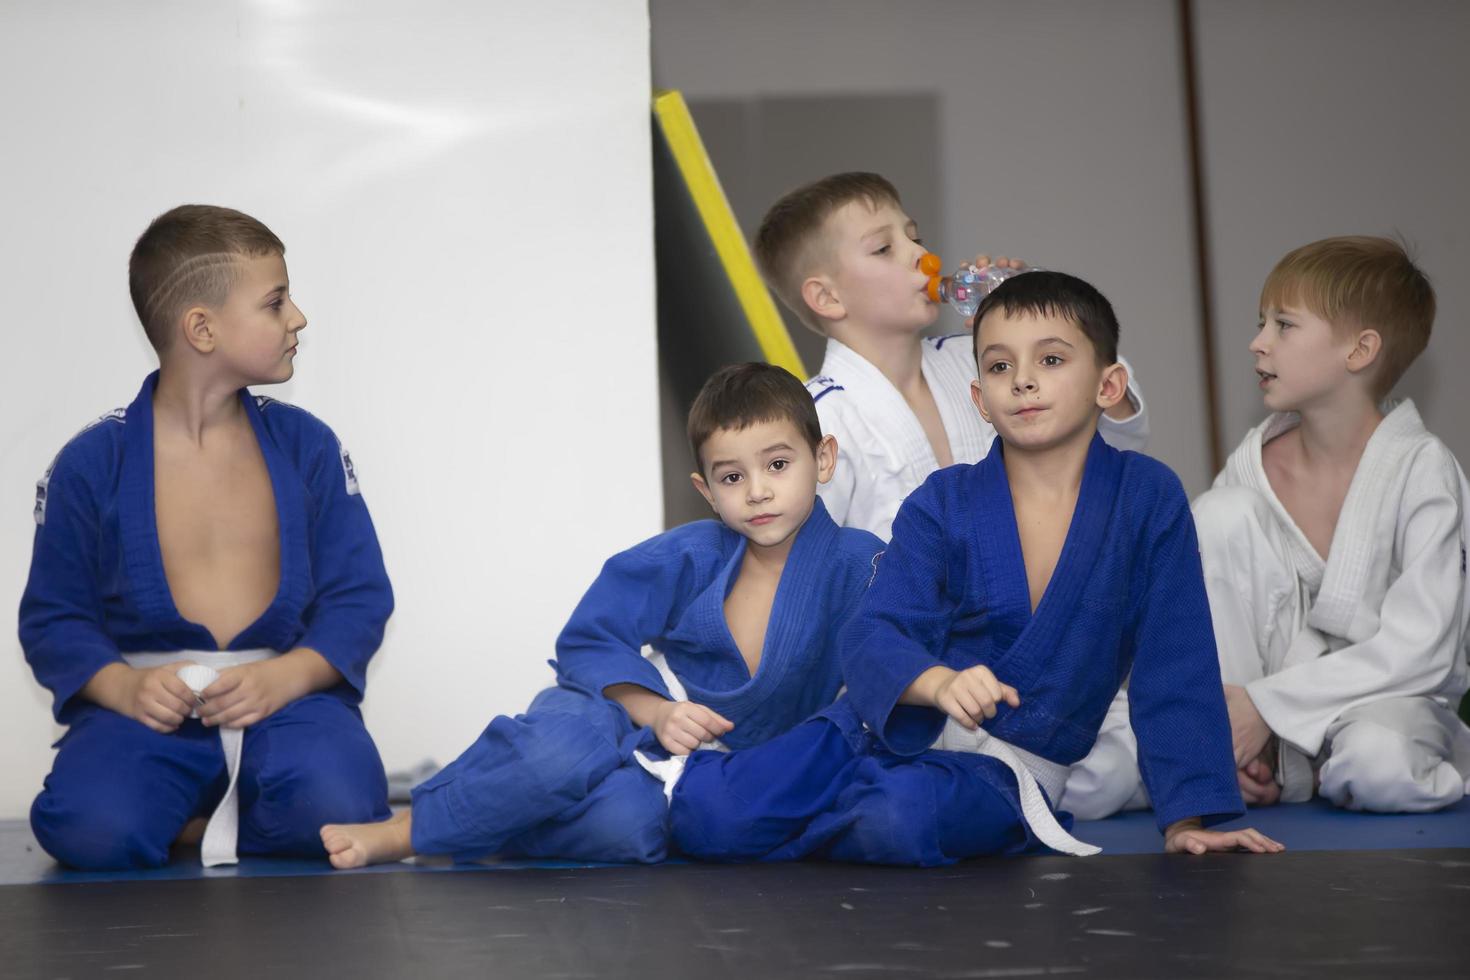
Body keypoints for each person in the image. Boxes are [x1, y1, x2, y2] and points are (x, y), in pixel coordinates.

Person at [670, 271, 1282, 865]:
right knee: (711, 815)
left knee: (896, 816)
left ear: (1109, 384)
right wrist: (937, 683)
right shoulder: (944, 499)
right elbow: (874, 631)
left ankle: (826, 811)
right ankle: (740, 789)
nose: (1022, 382)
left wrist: (1189, 819)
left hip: (1009, 768)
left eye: (1051, 360)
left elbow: (1174, 660)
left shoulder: (1147, 498)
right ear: (978, 399)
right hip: (882, 723)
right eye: (998, 366)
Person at [320, 363, 885, 868]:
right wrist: (657, 711)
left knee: (630, 829)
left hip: (693, 763)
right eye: (732, 477)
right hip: (616, 704)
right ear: (707, 490)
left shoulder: (862, 565)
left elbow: (890, 659)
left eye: (778, 464)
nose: (758, 492)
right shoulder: (692, 553)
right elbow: (590, 640)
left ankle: (492, 824)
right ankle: (408, 830)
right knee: (556, 755)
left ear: (824, 458)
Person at [753, 171, 1151, 814]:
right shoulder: (817, 420)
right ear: (826, 296)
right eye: (885, 249)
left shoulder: (979, 362)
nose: (920, 256)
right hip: (919, 671)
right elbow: (804, 576)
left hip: (1037, 650)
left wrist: (1027, 319)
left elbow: (1113, 434)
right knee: (1055, 774)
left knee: (1115, 754)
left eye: (915, 236)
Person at [22, 205, 394, 870]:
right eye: (276, 302)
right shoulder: (90, 463)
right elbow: (55, 619)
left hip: (286, 702)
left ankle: (200, 822)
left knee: (339, 807)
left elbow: (358, 598)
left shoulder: (308, 447)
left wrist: (288, 676)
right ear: (202, 328)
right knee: (87, 831)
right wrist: (124, 689)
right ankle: (205, 807)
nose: (298, 318)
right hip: (148, 714)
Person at [1192, 236, 1470, 811]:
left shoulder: (1423, 472)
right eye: (1261, 322)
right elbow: (1204, 612)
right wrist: (1239, 728)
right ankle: (1246, 755)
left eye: (1283, 325)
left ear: (1360, 350)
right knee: (1215, 516)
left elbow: (1423, 650)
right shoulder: (1251, 468)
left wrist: (1267, 706)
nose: (1257, 343)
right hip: (1251, 708)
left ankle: (1273, 742)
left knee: (1380, 765)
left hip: (1386, 699)